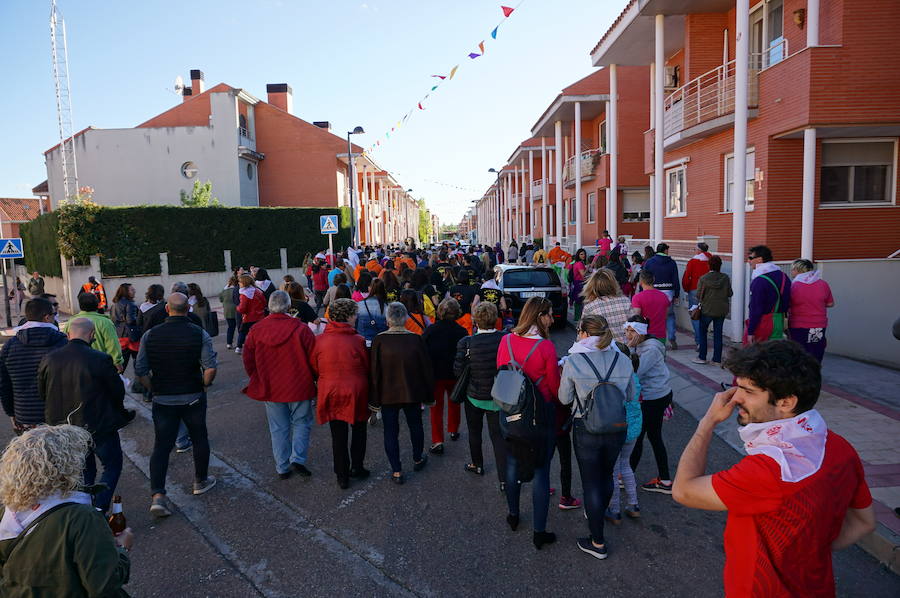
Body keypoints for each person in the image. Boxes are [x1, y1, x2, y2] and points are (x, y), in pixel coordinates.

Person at [672, 340, 875, 597]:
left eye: (748, 390)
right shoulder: (840, 447)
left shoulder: (767, 470)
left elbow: (683, 490)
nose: (736, 397)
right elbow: (864, 522)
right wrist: (808, 552)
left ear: (786, 402)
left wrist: (707, 422)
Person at [0, 425, 133, 596]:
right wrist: (123, 550)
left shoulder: (7, 511)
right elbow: (104, 584)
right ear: (66, 466)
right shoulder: (82, 517)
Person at [135, 293, 218, 517]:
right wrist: (203, 384)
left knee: (162, 446)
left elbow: (140, 369)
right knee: (199, 437)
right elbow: (210, 368)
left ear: (167, 309)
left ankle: (158, 495)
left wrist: (152, 387)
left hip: (163, 396)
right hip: (192, 394)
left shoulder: (150, 335)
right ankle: (200, 480)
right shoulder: (198, 333)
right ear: (188, 309)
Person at [558, 315, 633, 559]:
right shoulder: (623, 359)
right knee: (607, 475)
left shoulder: (574, 361)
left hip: (586, 428)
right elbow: (630, 395)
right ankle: (599, 510)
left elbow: (564, 398)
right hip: (616, 426)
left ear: (583, 333)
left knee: (590, 482)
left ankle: (597, 541)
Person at [39, 318, 132, 513]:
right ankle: (99, 505)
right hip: (98, 425)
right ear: (92, 335)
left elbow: (43, 392)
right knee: (112, 466)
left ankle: (85, 506)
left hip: (64, 427)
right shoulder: (100, 359)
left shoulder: (50, 359)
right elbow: (117, 391)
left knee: (82, 469)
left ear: (68, 335)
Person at [496, 297, 561, 550]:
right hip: (538, 416)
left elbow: (501, 371)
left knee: (512, 463)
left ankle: (513, 514)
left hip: (509, 412)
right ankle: (539, 531)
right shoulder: (545, 347)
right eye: (549, 315)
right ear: (540, 316)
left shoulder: (506, 340)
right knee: (541, 471)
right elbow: (555, 389)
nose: (552, 319)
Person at [242, 291, 316, 480]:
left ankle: (282, 466)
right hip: (299, 383)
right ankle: (297, 458)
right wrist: (315, 378)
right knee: (301, 422)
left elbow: (248, 358)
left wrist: (256, 377)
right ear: (288, 306)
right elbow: (314, 358)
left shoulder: (257, 330)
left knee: (278, 427)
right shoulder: (301, 329)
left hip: (271, 385)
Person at [369, 302, 433, 484]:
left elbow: (374, 372)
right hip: (412, 391)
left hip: (388, 394)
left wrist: (374, 399)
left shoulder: (379, 340)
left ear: (388, 318)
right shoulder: (415, 339)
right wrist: (428, 393)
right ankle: (418, 457)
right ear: (404, 317)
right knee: (415, 425)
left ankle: (396, 469)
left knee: (390, 431)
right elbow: (425, 368)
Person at [310, 299, 369, 489]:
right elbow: (367, 366)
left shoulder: (319, 340)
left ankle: (341, 474)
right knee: (359, 430)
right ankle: (357, 467)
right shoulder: (358, 340)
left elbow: (314, 366)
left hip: (330, 389)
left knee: (338, 435)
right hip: (356, 390)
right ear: (349, 316)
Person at [454, 302, 507, 487]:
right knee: (498, 437)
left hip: (474, 396)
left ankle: (477, 464)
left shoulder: (466, 342)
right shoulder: (504, 339)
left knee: (474, 431)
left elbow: (458, 371)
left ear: (475, 321)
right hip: (498, 396)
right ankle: (503, 479)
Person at [0, 298, 68, 434]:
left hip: (24, 415)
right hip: (59, 415)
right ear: (47, 317)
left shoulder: (10, 346)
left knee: (32, 454)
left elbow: (4, 384)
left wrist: (11, 413)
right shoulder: (63, 343)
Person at [625, 316, 673, 494]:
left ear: (641, 331)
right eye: (627, 330)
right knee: (653, 436)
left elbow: (636, 371)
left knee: (639, 435)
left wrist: (629, 349)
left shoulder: (651, 348)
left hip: (654, 397)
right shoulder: (641, 344)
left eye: (632, 331)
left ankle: (627, 475)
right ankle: (665, 479)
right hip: (651, 395)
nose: (628, 334)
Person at [422, 299, 468, 454]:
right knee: (454, 402)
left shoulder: (431, 330)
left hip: (435, 373)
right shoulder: (461, 331)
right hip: (454, 373)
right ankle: (453, 429)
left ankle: (437, 440)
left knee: (436, 407)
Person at [606, 342, 643, 525]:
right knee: (626, 465)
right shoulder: (634, 376)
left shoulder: (616, 379)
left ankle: (614, 509)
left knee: (613, 470)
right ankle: (633, 504)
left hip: (619, 428)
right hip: (634, 428)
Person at [62, 293, 124, 372]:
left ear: (80, 305)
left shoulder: (71, 322)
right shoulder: (105, 322)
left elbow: (64, 344)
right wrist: (117, 363)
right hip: (101, 367)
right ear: (97, 305)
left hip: (76, 367)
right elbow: (112, 345)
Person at [787, 259, 834, 363]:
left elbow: (787, 304)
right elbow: (830, 303)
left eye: (792, 270)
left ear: (797, 270)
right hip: (818, 325)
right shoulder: (823, 284)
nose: (791, 272)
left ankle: (800, 377)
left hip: (798, 325)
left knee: (798, 352)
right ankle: (814, 374)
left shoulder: (794, 286)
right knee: (815, 350)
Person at [746, 245, 791, 345]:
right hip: (779, 321)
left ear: (759, 260)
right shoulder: (783, 276)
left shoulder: (759, 280)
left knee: (759, 355)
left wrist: (751, 331)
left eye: (750, 258)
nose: (748, 261)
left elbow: (756, 308)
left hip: (763, 323)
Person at [695, 255, 732, 365]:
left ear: (709, 265)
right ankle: (716, 359)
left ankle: (702, 357)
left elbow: (698, 295)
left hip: (707, 309)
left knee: (703, 333)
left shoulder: (703, 278)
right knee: (718, 334)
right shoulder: (725, 278)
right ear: (720, 265)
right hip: (721, 310)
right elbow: (730, 293)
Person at [642, 243, 680, 350]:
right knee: (670, 315)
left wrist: (642, 291)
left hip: (653, 291)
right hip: (668, 292)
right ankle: (671, 336)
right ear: (666, 251)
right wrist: (676, 294)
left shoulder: (649, 262)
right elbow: (675, 279)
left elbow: (644, 276)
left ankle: (653, 338)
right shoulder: (671, 263)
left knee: (653, 315)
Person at [582, 269, 632, 344]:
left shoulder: (590, 307)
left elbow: (582, 336)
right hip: (626, 350)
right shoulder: (626, 301)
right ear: (614, 283)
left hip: (603, 350)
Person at [682, 242, 713, 348]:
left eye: (695, 249)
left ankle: (699, 341)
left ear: (699, 250)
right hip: (710, 291)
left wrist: (686, 289)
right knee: (706, 315)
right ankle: (703, 338)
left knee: (695, 315)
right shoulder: (712, 260)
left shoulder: (693, 261)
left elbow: (687, 277)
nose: (694, 251)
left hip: (695, 289)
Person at [107, 283, 140, 372]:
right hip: (130, 336)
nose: (134, 291)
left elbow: (113, 319)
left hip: (119, 335)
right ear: (126, 292)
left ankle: (117, 380)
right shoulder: (130, 304)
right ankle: (140, 381)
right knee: (138, 361)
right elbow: (130, 320)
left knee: (121, 363)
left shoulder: (114, 304)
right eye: (132, 290)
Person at [630, 270, 669, 341]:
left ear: (640, 281)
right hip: (660, 335)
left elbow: (636, 317)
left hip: (644, 336)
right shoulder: (664, 296)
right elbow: (666, 316)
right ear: (653, 279)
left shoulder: (637, 297)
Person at [235, 274, 266, 355]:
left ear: (244, 282)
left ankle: (239, 347)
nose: (239, 283)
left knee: (242, 332)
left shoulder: (244, 294)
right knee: (258, 332)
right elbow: (264, 302)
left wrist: (237, 308)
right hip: (259, 316)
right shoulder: (257, 291)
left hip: (248, 317)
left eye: (240, 282)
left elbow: (242, 309)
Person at [356, 278, 389, 347]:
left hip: (363, 342)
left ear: (369, 288)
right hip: (381, 343)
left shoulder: (359, 305)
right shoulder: (387, 307)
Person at [569, 248, 589, 322]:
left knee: (578, 301)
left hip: (577, 283)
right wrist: (589, 267)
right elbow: (583, 274)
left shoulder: (577, 263)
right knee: (579, 301)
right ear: (578, 255)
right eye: (581, 254)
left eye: (584, 254)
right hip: (579, 283)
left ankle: (577, 317)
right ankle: (578, 318)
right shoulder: (580, 264)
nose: (583, 255)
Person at [220, 276, 239, 350]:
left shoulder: (224, 290)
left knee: (230, 327)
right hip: (236, 310)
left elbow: (220, 299)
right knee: (240, 327)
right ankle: (240, 343)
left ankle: (229, 343)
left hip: (227, 311)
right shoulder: (236, 289)